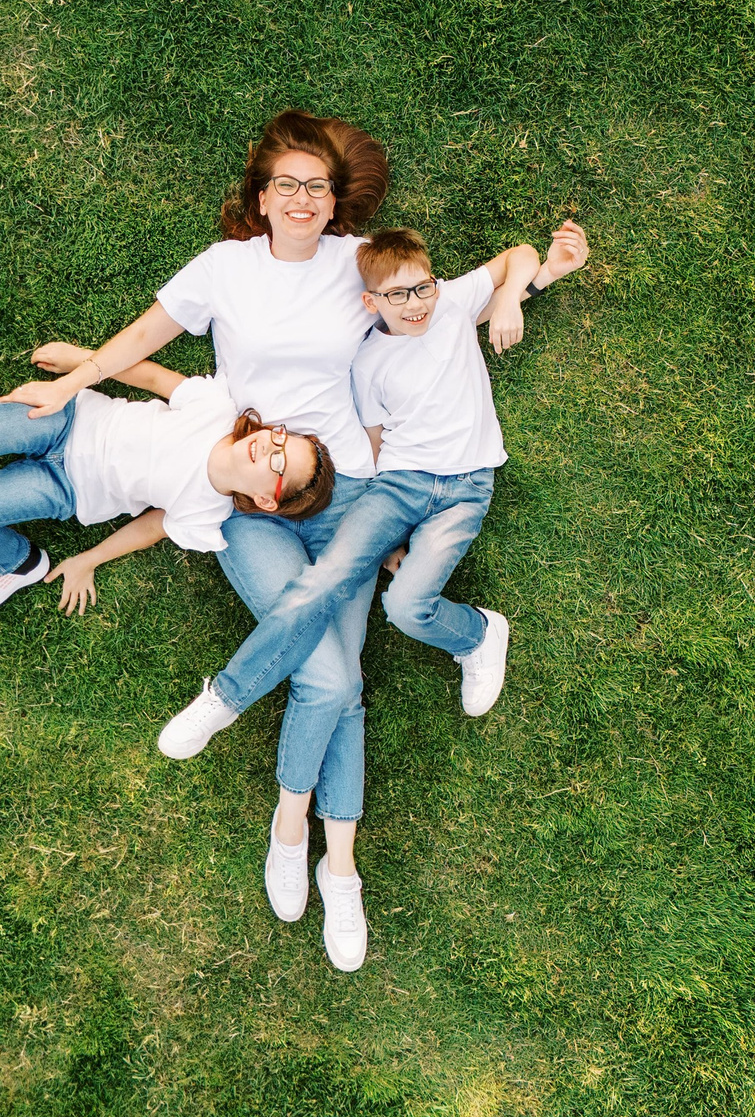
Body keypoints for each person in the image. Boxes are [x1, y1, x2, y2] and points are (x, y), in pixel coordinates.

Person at [4, 110, 389, 971]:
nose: (300, 198)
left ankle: (320, 847)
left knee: (342, 682)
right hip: (252, 485)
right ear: (261, 198)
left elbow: (438, 307)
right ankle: (308, 842)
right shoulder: (226, 269)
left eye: (315, 187)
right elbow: (149, 339)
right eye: (284, 184)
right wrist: (81, 377)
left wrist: (529, 279)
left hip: (345, 486)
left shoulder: (358, 266)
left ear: (335, 204)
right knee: (329, 675)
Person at [154, 218, 590, 756]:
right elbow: (376, 441)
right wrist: (380, 534)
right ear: (370, 303)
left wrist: (516, 297)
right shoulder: (366, 362)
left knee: (408, 609)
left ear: (436, 283)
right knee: (325, 577)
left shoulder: (451, 305)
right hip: (397, 487)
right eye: (397, 295)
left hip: (467, 485)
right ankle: (226, 696)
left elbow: (520, 254)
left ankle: (478, 634)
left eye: (422, 288)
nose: (415, 304)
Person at [0, 369, 334, 612]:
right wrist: (79, 365)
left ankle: (17, 565)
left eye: (279, 463)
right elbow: (151, 378)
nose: (270, 445)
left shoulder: (205, 514)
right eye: (280, 438)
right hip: (71, 419)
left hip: (67, 488)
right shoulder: (215, 409)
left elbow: (151, 527)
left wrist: (87, 559)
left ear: (267, 500)